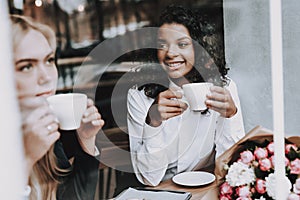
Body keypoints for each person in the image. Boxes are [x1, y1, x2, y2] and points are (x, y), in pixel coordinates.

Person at [127, 5, 245, 186]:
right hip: (162, 191)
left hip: (208, 186)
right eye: (162, 45)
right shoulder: (139, 95)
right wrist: (154, 122)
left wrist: (231, 116)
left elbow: (232, 166)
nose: (171, 53)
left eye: (182, 44)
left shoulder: (223, 88)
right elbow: (149, 178)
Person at [11, 15, 104, 199]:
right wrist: (27, 160)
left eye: (49, 60)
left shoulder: (46, 129)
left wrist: (86, 140)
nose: (46, 77)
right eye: (27, 66)